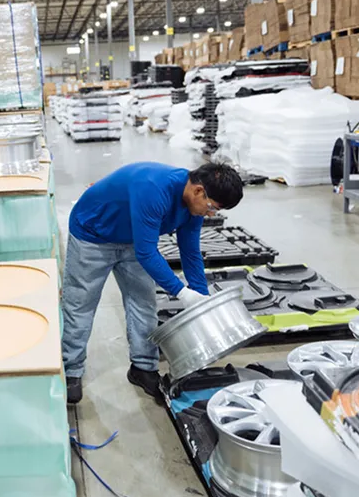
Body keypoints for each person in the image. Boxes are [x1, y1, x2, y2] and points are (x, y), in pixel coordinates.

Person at [61, 161, 244, 404]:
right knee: (80, 305)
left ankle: (143, 368)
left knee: (143, 304)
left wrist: (200, 297)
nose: (210, 214)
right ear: (199, 191)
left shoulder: (194, 207)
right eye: (211, 208)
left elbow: (190, 252)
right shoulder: (154, 189)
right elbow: (146, 254)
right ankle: (71, 371)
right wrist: (182, 293)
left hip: (135, 239)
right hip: (93, 234)